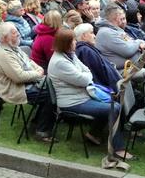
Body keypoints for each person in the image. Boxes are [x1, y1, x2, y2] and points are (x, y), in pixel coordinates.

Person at [48, 29, 132, 159]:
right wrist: (86, 76)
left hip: (82, 97)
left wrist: (85, 75)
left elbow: (86, 71)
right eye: (73, 41)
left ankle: (93, 134)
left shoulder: (70, 55)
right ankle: (118, 149)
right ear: (66, 43)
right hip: (72, 103)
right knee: (114, 108)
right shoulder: (60, 62)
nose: (76, 42)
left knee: (112, 103)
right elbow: (85, 79)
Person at [0, 22, 55, 142]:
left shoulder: (13, 47)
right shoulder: (4, 54)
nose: (18, 34)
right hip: (15, 89)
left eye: (17, 31)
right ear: (5, 38)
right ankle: (42, 131)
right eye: (14, 33)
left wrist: (39, 69)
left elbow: (29, 62)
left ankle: (37, 123)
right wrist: (38, 74)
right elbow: (19, 77)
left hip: (27, 83)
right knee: (51, 94)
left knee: (52, 89)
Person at [95, 3, 145, 70]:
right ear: (114, 19)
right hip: (124, 72)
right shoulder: (106, 33)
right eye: (121, 19)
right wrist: (139, 42)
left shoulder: (115, 30)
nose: (124, 22)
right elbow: (128, 50)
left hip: (134, 67)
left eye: (124, 19)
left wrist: (136, 45)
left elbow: (131, 43)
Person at [74, 23, 122, 92]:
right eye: (91, 33)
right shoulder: (86, 51)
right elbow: (98, 74)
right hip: (105, 89)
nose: (94, 36)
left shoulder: (87, 49)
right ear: (84, 36)